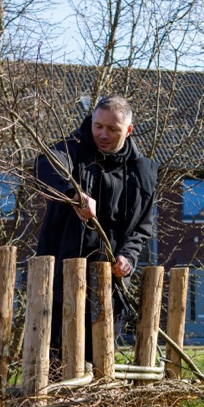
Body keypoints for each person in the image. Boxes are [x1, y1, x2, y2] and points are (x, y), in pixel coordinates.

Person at [34, 95, 157, 360]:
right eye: (98, 125)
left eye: (112, 129)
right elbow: (46, 167)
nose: (102, 134)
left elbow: (143, 228)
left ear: (128, 130)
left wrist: (129, 257)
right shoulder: (71, 150)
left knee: (99, 367)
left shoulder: (142, 172)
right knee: (57, 366)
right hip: (60, 286)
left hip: (106, 288)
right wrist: (74, 194)